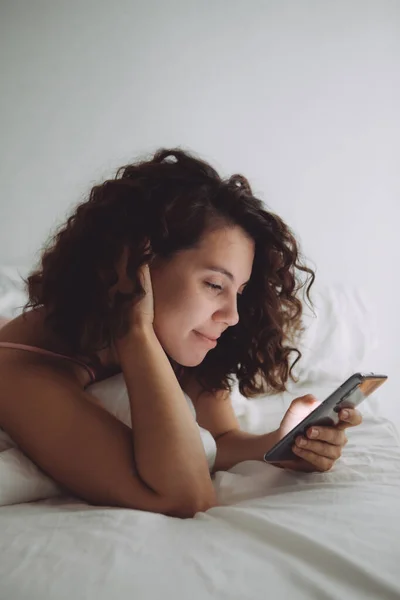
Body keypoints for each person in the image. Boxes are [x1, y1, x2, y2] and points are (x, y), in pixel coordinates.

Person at [0, 148, 362, 518]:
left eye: (238, 292)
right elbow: (186, 495)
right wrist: (136, 327)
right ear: (135, 265)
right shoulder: (21, 371)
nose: (233, 316)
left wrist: (286, 445)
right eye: (214, 285)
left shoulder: (177, 340)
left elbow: (221, 439)